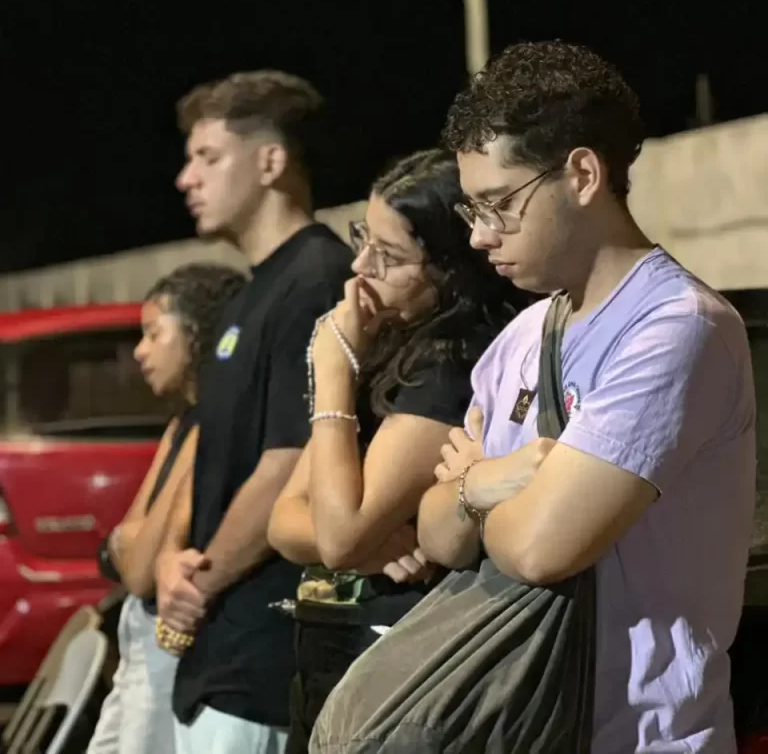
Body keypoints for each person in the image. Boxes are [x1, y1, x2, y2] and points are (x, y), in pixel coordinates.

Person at [418, 41, 756, 753]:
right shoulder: (519, 338)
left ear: (582, 174)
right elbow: (436, 537)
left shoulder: (676, 329)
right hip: (517, 726)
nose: (479, 236)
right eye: (471, 209)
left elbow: (543, 548)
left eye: (498, 205)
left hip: (643, 735)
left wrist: (472, 489)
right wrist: (490, 485)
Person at [267, 149, 518, 753]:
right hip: (334, 665)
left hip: (395, 671)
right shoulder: (391, 343)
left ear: (451, 269)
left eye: (389, 255)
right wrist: (376, 544)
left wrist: (332, 372)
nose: (360, 267)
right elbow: (284, 521)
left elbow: (338, 537)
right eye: (363, 239)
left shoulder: (449, 365)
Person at [155, 71, 351, 754]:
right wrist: (172, 560)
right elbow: (217, 456)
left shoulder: (318, 279)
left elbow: (290, 461)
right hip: (218, 649)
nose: (186, 178)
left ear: (270, 162)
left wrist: (198, 583)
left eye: (207, 157)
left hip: (262, 658)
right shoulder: (253, 291)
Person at [87, 263, 246, 754]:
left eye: (154, 333)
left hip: (168, 647)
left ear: (196, 336)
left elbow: (136, 571)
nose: (140, 350)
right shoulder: (182, 424)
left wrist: (129, 545)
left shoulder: (210, 428)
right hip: (141, 642)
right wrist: (128, 544)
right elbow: (124, 537)